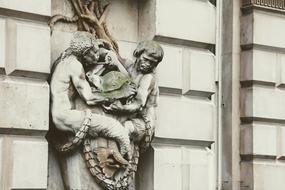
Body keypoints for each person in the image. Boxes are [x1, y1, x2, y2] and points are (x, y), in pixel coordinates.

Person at [50, 31, 135, 156]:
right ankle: (125, 158)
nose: (97, 55)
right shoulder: (75, 66)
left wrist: (106, 49)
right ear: (84, 54)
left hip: (60, 116)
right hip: (65, 117)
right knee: (115, 128)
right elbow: (89, 98)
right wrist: (120, 94)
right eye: (94, 52)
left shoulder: (67, 58)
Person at [103, 41, 164, 150]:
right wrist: (108, 47)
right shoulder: (130, 66)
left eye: (153, 63)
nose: (148, 64)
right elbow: (117, 59)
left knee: (126, 127)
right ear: (138, 54)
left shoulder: (148, 78)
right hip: (129, 114)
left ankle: (123, 157)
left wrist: (121, 108)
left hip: (143, 122)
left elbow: (138, 104)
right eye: (146, 59)